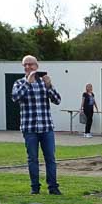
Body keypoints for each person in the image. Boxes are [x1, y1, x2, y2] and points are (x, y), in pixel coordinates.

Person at [11, 56, 61, 196]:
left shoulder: (44, 82)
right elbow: (15, 97)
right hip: (29, 128)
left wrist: (49, 86)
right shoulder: (19, 83)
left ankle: (53, 187)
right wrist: (28, 83)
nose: (28, 67)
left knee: (50, 158)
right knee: (32, 159)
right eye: (25, 65)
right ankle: (35, 188)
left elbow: (57, 100)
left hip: (46, 126)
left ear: (37, 66)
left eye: (30, 64)